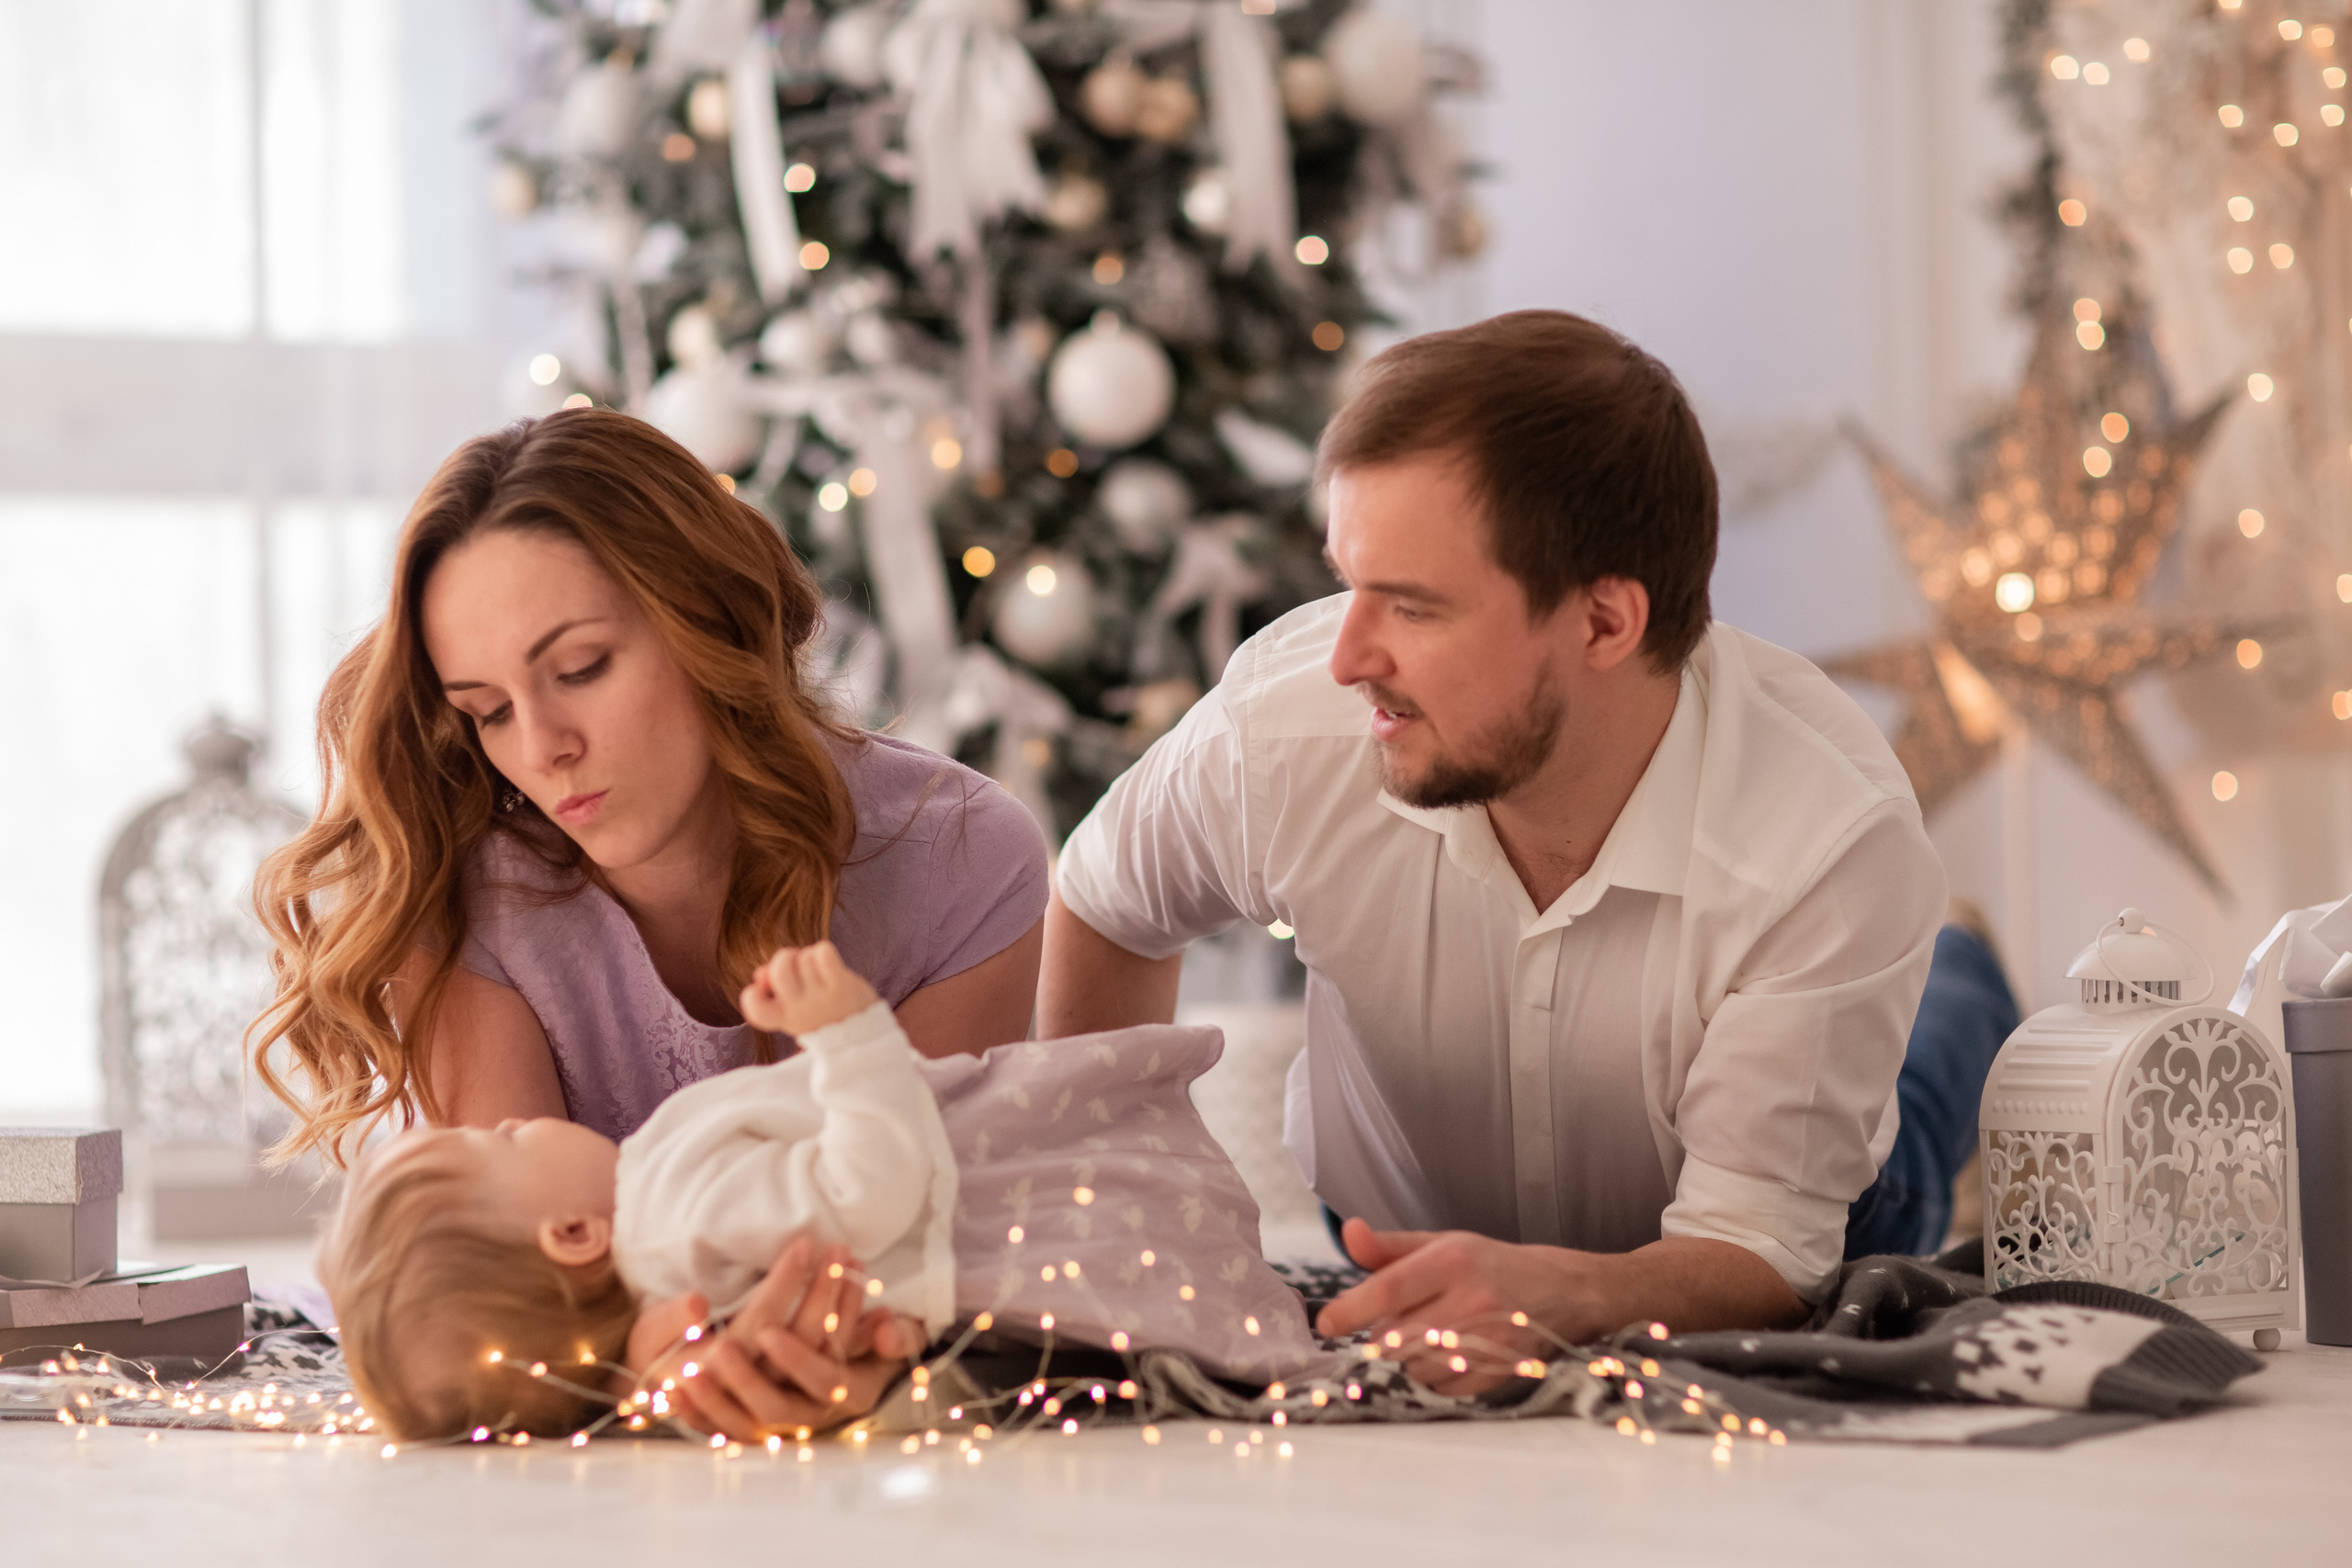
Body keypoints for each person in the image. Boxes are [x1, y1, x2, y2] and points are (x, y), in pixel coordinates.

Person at [1040, 310, 2014, 1396]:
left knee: (1926, 1097)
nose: (1349, 655)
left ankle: (1959, 962)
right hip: (1392, 1226)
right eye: (1347, 583)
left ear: (1603, 623)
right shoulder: (1284, 726)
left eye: (1410, 606)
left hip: (1746, 1240)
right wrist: (1106, 1206)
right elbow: (1103, 902)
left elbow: (1759, 1251)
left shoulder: (1828, 836)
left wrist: (1577, 1300)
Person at [253, 407, 1049, 1435]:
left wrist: (857, 1356)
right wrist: (645, 1367)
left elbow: (935, 1229)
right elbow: (533, 1305)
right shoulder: (466, 902)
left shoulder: (960, 857)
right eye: (488, 710)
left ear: (705, 620)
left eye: (580, 668)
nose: (542, 748)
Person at [322, 942, 1326, 1439]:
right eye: (500, 1139)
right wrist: (847, 1032)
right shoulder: (674, 1200)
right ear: (577, 1234)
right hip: (1000, 1177)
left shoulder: (671, 1298)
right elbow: (874, 1188)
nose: (517, 1118)